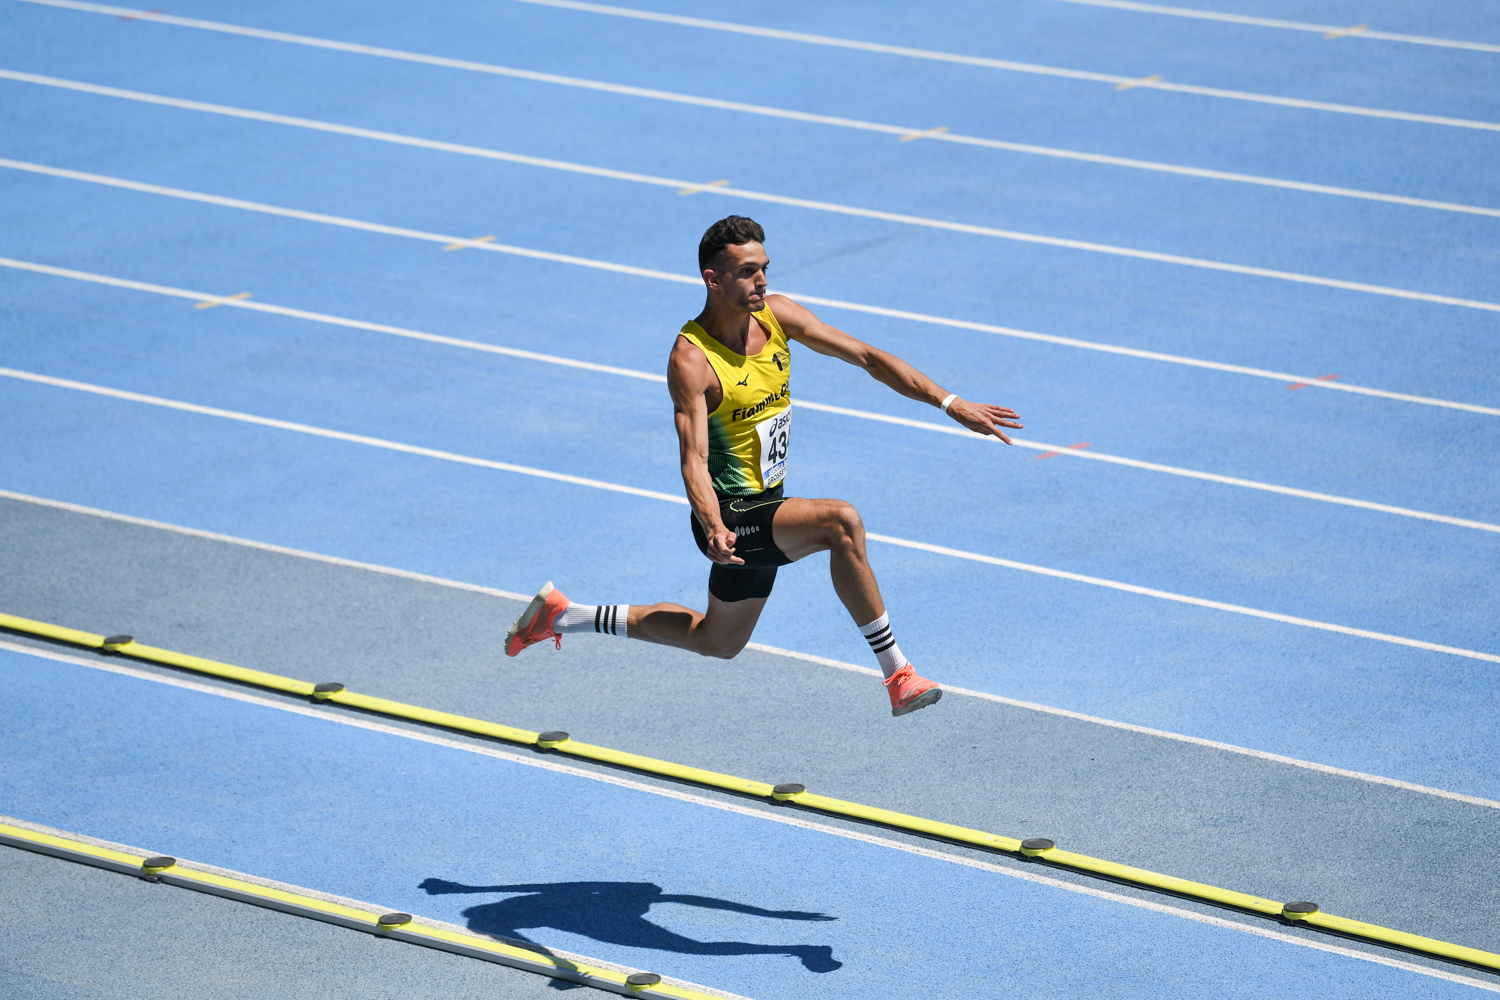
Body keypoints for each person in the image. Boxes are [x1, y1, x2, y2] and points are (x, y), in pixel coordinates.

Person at [507, 216, 1022, 716]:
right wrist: (713, 525)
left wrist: (950, 402)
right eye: (748, 271)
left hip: (767, 505)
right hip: (729, 517)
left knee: (718, 640)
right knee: (840, 522)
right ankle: (899, 675)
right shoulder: (692, 359)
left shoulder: (777, 316)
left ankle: (564, 616)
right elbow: (693, 459)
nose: (762, 281)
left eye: (765, 268)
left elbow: (866, 356)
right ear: (713, 279)